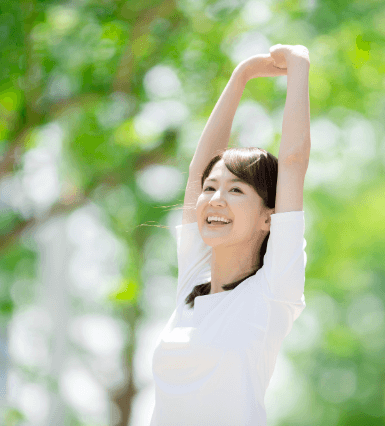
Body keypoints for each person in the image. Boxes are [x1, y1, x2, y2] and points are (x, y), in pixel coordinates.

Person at [150, 44, 311, 426]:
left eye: (236, 190)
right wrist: (241, 76)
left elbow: (292, 161)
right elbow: (196, 169)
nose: (215, 199)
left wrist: (299, 65)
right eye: (211, 188)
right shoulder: (193, 281)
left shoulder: (273, 290)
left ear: (268, 218)